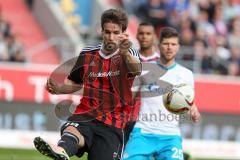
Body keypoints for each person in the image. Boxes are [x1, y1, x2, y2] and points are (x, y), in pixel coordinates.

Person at [33, 8, 141, 160]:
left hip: (113, 125)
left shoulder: (130, 53)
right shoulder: (87, 54)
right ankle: (62, 150)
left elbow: (137, 70)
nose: (111, 37)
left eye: (115, 33)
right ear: (101, 31)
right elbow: (75, 82)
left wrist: (124, 53)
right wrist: (60, 89)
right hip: (86, 115)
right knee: (72, 130)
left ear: (123, 33)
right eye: (107, 32)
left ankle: (64, 149)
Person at [122, 27, 201, 160]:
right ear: (159, 46)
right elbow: (129, 98)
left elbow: (190, 102)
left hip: (170, 136)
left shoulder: (186, 74)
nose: (169, 47)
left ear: (178, 47)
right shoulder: (145, 70)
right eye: (166, 44)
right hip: (143, 134)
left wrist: (194, 111)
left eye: (173, 44)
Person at [124, 22, 159, 142]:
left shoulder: (162, 64)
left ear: (154, 37)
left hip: (150, 121)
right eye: (141, 33)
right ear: (137, 36)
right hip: (126, 118)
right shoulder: (127, 59)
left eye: (148, 34)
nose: (144, 36)